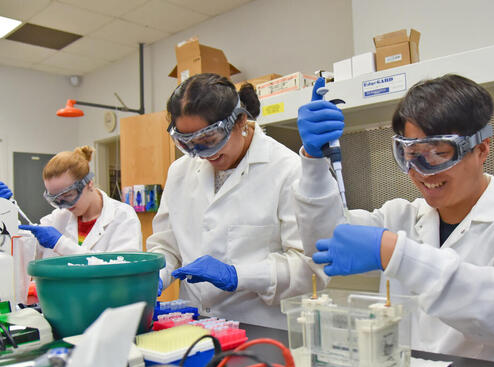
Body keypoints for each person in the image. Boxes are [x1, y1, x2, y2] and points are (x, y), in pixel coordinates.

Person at [294, 74, 494, 366]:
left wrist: (399, 255)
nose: (421, 171)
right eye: (410, 154)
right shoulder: (399, 216)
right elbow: (324, 243)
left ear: (482, 148)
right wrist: (314, 163)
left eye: (438, 154)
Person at [146, 73, 325, 329]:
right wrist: (157, 274)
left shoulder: (288, 170)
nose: (201, 154)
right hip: (193, 326)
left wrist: (238, 276)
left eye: (209, 141)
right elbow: (167, 245)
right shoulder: (179, 171)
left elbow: (309, 267)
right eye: (187, 144)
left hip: (261, 328)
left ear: (240, 121)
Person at [0, 146, 142, 259]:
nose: (64, 206)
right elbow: (24, 249)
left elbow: (121, 270)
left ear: (89, 183)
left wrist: (61, 244)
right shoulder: (58, 218)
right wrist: (7, 213)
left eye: (68, 196)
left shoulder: (123, 216)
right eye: (56, 200)